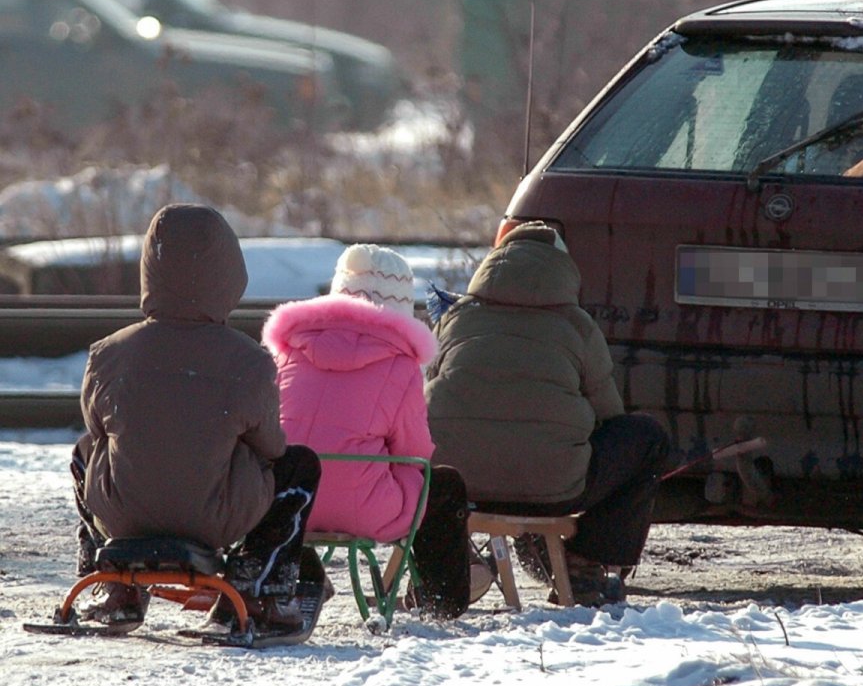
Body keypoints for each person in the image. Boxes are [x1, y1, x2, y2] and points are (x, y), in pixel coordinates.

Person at [71, 203, 322, 634]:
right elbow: (272, 448)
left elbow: (95, 432)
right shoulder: (249, 360)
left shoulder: (108, 353)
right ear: (228, 273)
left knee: (84, 454)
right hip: (215, 516)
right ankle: (259, 586)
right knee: (300, 465)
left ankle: (112, 581)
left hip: (122, 514)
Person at [424, 221, 670, 606]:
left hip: (457, 484)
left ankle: (446, 568)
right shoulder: (578, 325)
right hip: (554, 490)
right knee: (646, 437)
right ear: (562, 269)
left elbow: (431, 391)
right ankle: (585, 564)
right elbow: (610, 416)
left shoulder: (454, 318)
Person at [261, 244, 472, 618]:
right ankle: (443, 602)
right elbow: (416, 451)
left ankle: (305, 566)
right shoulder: (401, 364)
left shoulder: (290, 351)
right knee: (444, 486)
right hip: (363, 510)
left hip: (285, 501)